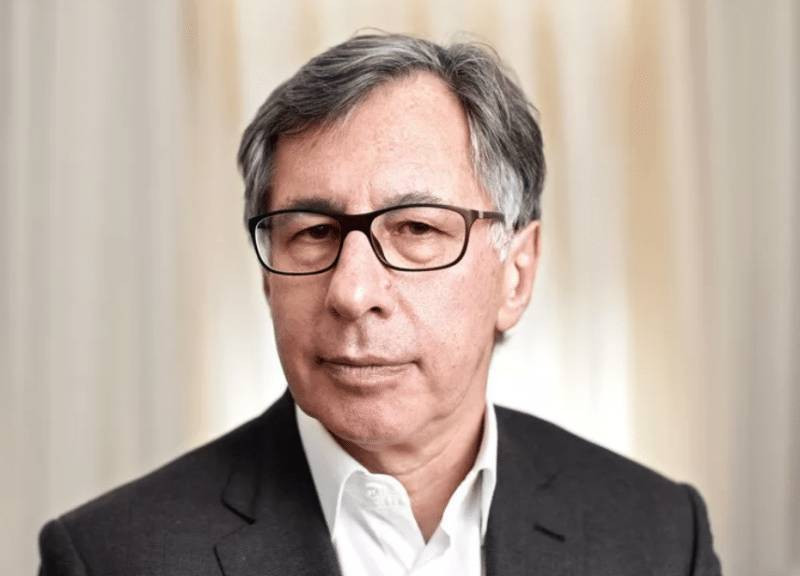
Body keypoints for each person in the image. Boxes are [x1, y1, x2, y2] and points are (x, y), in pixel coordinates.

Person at [38, 32, 722, 576]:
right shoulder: (110, 556)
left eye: (416, 229)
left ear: (515, 275)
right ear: (267, 277)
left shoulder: (659, 535)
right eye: (312, 232)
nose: (352, 292)